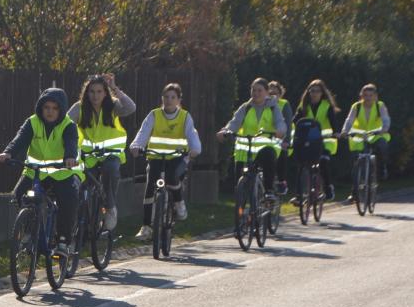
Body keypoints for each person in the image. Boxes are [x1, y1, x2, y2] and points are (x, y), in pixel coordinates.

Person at [0, 88, 82, 258]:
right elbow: (20, 139)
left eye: (54, 108)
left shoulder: (68, 125)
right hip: (35, 173)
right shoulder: (32, 122)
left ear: (61, 110)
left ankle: (63, 241)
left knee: (68, 200)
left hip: (61, 173)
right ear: (41, 108)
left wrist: (70, 157)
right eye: (46, 107)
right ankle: (30, 230)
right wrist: (8, 153)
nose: (50, 111)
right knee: (19, 194)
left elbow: (71, 143)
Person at [130, 83, 201, 240]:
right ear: (162, 98)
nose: (169, 100)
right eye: (166, 97)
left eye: (172, 97)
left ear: (178, 100)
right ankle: (146, 226)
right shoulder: (154, 115)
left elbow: (192, 134)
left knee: (172, 176)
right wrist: (136, 146)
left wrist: (195, 149)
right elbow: (143, 132)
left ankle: (179, 203)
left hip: (178, 158)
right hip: (156, 157)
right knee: (150, 186)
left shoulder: (185, 117)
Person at [67, 73, 135, 230]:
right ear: (86, 92)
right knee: (79, 186)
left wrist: (114, 88)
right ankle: (79, 225)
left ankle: (110, 208)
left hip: (111, 155)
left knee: (110, 171)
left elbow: (131, 107)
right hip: (88, 158)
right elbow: (66, 124)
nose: (95, 96)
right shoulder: (79, 108)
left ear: (105, 93)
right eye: (92, 91)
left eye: (99, 91)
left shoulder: (113, 105)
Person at [217, 77, 286, 197]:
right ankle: (241, 207)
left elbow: (280, 122)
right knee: (239, 183)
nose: (256, 93)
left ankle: (269, 192)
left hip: (265, 148)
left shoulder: (273, 107)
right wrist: (225, 131)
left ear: (266, 92)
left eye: (259, 90)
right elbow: (235, 123)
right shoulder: (246, 107)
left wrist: (280, 131)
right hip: (245, 149)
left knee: (269, 156)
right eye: (253, 90)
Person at [341, 83, 391, 202]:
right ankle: (354, 193)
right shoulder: (356, 106)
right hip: (360, 136)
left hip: (376, 134)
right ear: (361, 96)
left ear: (375, 96)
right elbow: (349, 120)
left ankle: (382, 168)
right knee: (357, 164)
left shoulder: (380, 106)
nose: (368, 98)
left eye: (370, 95)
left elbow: (386, 119)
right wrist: (344, 131)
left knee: (383, 145)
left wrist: (384, 128)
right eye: (365, 95)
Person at [293, 79, 340, 201]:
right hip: (309, 141)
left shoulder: (327, 106)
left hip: (326, 141)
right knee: (301, 165)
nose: (314, 94)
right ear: (308, 92)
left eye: (317, 91)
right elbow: (295, 122)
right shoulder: (303, 107)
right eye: (312, 91)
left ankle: (328, 187)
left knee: (323, 161)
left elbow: (333, 122)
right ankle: (299, 195)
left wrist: (335, 133)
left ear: (322, 93)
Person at [268, 81, 293, 195]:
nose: (273, 95)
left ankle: (282, 181)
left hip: (281, 138)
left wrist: (286, 141)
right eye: (270, 93)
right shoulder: (262, 104)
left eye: (275, 93)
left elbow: (287, 123)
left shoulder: (284, 104)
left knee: (282, 153)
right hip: (266, 138)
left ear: (280, 94)